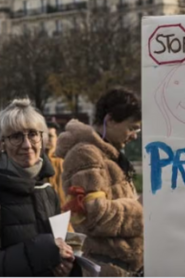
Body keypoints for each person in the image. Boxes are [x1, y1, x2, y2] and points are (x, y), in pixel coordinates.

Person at [0, 99, 81, 277]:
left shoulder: (48, 191)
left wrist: (67, 266)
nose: (27, 145)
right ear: (1, 144)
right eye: (16, 137)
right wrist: (42, 250)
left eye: (33, 134)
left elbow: (55, 250)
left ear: (42, 139)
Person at [56, 87, 143, 276]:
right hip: (107, 268)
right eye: (131, 128)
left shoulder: (110, 155)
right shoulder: (85, 155)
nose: (135, 135)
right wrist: (142, 211)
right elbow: (94, 216)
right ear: (109, 120)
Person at [45, 122, 74, 233]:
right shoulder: (34, 163)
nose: (47, 139)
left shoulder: (64, 162)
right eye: (45, 136)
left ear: (57, 139)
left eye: (51, 136)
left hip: (64, 215)